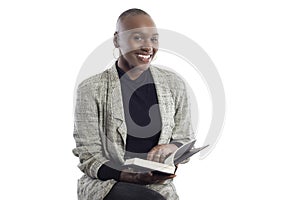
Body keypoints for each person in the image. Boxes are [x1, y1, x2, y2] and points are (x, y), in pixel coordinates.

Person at [73, 8, 195, 200]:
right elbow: (89, 157)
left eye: (154, 39)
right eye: (138, 38)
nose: (148, 47)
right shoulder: (91, 89)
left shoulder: (174, 85)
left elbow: (185, 139)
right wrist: (127, 176)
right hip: (107, 185)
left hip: (158, 187)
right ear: (116, 40)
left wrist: (170, 149)